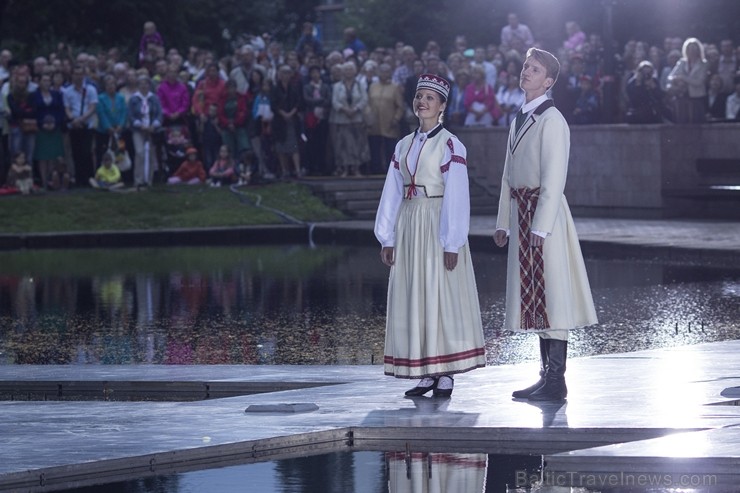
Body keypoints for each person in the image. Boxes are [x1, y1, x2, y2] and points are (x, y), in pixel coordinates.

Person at [493, 48, 597, 402]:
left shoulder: (553, 121)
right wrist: (503, 221)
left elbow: (554, 177)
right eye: (525, 66)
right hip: (522, 213)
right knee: (534, 296)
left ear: (548, 81)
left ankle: (557, 380)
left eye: (534, 69)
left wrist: (540, 227)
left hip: (543, 216)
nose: (525, 72)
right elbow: (508, 174)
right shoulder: (519, 118)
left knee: (551, 294)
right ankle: (545, 377)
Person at [374, 73, 486, 398]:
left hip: (437, 221)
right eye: (419, 96)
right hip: (410, 222)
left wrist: (452, 240)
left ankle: (446, 370)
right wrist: (387, 236)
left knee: (440, 293)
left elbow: (456, 194)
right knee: (416, 294)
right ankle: (425, 370)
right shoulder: (403, 144)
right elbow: (392, 191)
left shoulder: (451, 144)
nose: (422, 102)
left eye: (430, 98)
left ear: (442, 106)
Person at [330, 62, 369, 177]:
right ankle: (345, 169)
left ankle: (356, 169)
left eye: (350, 69)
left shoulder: (360, 84)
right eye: (346, 70)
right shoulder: (337, 86)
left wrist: (355, 109)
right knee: (343, 145)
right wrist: (344, 109)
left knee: (357, 144)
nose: (348, 72)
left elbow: (364, 99)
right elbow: (334, 101)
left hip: (356, 118)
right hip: (342, 118)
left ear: (355, 71)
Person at [366, 63, 404, 174]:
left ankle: (391, 171)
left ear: (390, 73)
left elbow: (400, 107)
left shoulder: (395, 87)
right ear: (378, 73)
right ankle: (376, 170)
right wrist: (368, 116)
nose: (384, 73)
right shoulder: (373, 86)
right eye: (382, 71)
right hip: (374, 123)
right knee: (374, 147)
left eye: (387, 71)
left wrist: (396, 119)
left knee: (390, 148)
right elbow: (367, 103)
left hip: (389, 123)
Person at [128, 75, 162, 188]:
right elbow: (131, 115)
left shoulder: (154, 98)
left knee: (151, 154)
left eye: (146, 83)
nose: (144, 86)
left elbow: (159, 114)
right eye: (141, 84)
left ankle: (149, 179)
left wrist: (154, 125)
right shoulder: (134, 99)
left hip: (152, 129)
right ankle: (138, 179)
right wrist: (140, 125)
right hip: (138, 129)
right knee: (140, 152)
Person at [33, 73, 66, 189]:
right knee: (42, 156)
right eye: (44, 80)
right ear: (39, 82)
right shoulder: (34, 95)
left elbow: (61, 110)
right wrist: (42, 124)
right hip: (41, 129)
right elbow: (34, 111)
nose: (46, 82)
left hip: (54, 128)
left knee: (52, 155)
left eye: (48, 80)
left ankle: (51, 179)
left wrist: (55, 123)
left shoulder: (56, 94)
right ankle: (43, 181)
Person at [667, 37, 708, 123]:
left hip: (696, 97)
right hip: (682, 96)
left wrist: (683, 78)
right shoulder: (682, 62)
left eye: (694, 49)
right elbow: (670, 77)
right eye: (689, 49)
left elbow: (699, 82)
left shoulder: (703, 64)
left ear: (698, 50)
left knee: (696, 121)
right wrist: (678, 81)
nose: (691, 51)